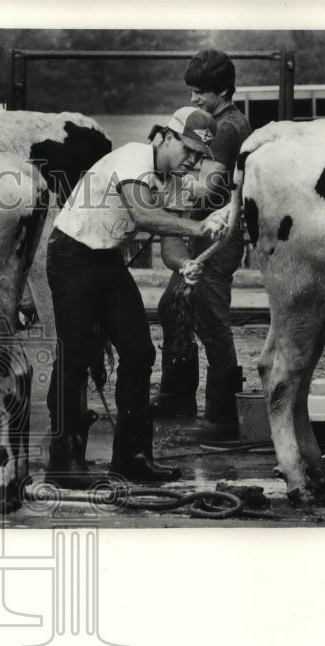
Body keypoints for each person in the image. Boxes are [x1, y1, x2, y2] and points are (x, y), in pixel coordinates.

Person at [45, 107, 227, 489]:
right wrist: (201, 224)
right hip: (71, 254)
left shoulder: (175, 180)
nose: (192, 161)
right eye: (188, 150)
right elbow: (143, 215)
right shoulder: (133, 157)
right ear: (164, 136)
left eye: (199, 156)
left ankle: (132, 459)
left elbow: (170, 248)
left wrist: (184, 266)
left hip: (106, 259)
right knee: (76, 355)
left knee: (139, 351)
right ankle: (64, 460)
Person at [153, 48, 253, 442]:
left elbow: (210, 185)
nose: (194, 99)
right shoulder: (221, 120)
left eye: (201, 92)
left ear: (224, 90)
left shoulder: (226, 128)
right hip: (204, 228)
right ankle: (177, 396)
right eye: (191, 91)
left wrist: (167, 187)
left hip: (216, 234)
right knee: (172, 304)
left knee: (210, 317)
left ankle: (222, 416)